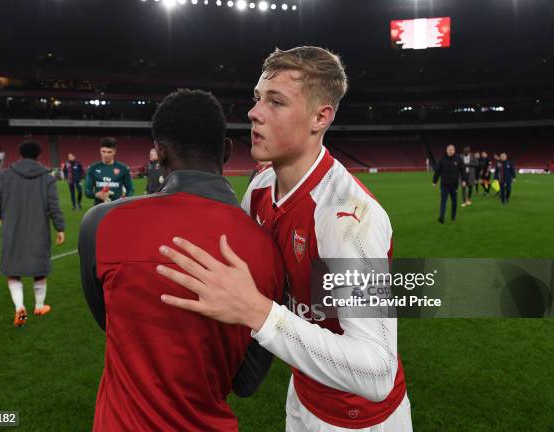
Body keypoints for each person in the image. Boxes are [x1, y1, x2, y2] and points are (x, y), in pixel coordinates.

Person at [156, 47, 412, 431]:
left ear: (320, 116)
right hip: (304, 393)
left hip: (360, 422)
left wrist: (257, 312)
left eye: (276, 102)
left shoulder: (347, 221)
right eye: (257, 99)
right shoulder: (260, 189)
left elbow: (377, 371)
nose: (254, 113)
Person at [79, 89, 285, 431]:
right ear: (227, 150)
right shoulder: (268, 249)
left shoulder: (101, 223)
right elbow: (246, 383)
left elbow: (109, 322)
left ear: (159, 153)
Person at [0, 140, 65, 327]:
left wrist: (2, 216)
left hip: (12, 229)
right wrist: (60, 228)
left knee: (13, 272)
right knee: (39, 270)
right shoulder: (47, 178)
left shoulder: (5, 176)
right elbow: (54, 206)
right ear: (39, 156)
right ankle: (39, 306)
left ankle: (20, 308)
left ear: (19, 155)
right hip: (38, 229)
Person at [84, 137, 134, 205]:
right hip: (99, 208)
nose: (106, 155)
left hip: (117, 208)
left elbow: (130, 189)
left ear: (114, 152)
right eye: (103, 151)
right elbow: (87, 191)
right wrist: (97, 195)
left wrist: (124, 199)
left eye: (109, 152)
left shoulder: (123, 168)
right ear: (100, 151)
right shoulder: (93, 168)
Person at [432, 144, 467, 223]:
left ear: (454, 150)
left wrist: (464, 180)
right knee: (443, 201)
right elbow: (437, 170)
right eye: (449, 149)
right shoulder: (442, 159)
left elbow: (463, 170)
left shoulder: (458, 159)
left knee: (454, 201)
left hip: (454, 185)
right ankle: (441, 218)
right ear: (446, 150)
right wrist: (434, 181)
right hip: (444, 184)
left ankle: (453, 217)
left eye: (452, 149)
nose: (450, 151)